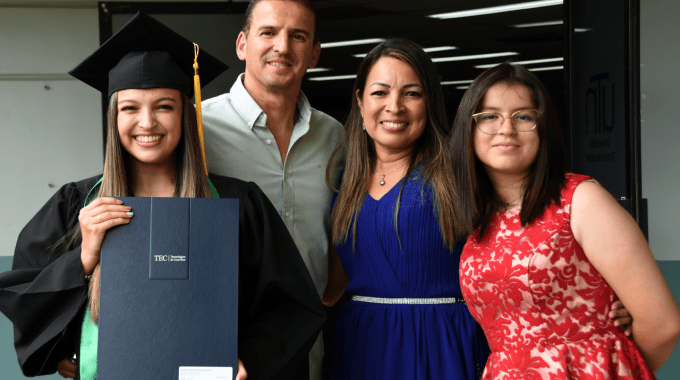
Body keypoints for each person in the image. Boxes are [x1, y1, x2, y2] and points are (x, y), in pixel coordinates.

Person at [0, 12, 324, 380]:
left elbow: (291, 305)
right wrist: (84, 258)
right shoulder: (78, 205)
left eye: (164, 107)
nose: (147, 123)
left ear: (186, 114)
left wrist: (250, 358)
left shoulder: (237, 205)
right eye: (130, 108)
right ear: (114, 118)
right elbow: (23, 296)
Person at [452, 63, 680, 378]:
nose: (506, 128)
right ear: (469, 129)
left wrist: (611, 368)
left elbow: (662, 324)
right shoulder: (481, 219)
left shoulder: (580, 200)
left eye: (524, 116)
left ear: (543, 129)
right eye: (489, 116)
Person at [321, 38, 490, 379]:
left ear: (429, 103)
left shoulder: (460, 175)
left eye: (412, 93)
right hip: (361, 347)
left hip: (441, 345)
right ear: (360, 100)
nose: (394, 106)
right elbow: (330, 287)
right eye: (380, 93)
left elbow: (520, 247)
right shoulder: (344, 182)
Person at [200, 1, 345, 378]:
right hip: (225, 347)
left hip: (307, 345)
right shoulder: (197, 130)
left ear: (314, 53)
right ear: (242, 44)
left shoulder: (335, 137)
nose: (283, 46)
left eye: (298, 36)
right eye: (268, 32)